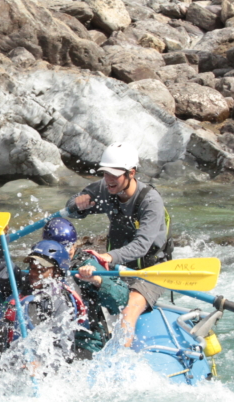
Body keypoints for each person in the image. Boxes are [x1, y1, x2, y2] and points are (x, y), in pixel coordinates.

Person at [65, 143, 172, 343]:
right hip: (118, 266)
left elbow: (142, 246)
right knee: (82, 284)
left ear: (131, 173)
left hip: (150, 271)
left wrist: (108, 256)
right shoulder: (105, 188)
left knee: (129, 311)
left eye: (114, 174)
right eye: (105, 173)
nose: (108, 180)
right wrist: (78, 203)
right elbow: (72, 207)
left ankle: (119, 365)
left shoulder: (151, 201)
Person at [0, 236, 127, 360]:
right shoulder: (24, 283)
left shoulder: (60, 300)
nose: (34, 273)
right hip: (6, 359)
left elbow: (63, 345)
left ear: (57, 272)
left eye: (42, 269)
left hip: (42, 366)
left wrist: (40, 363)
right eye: (33, 268)